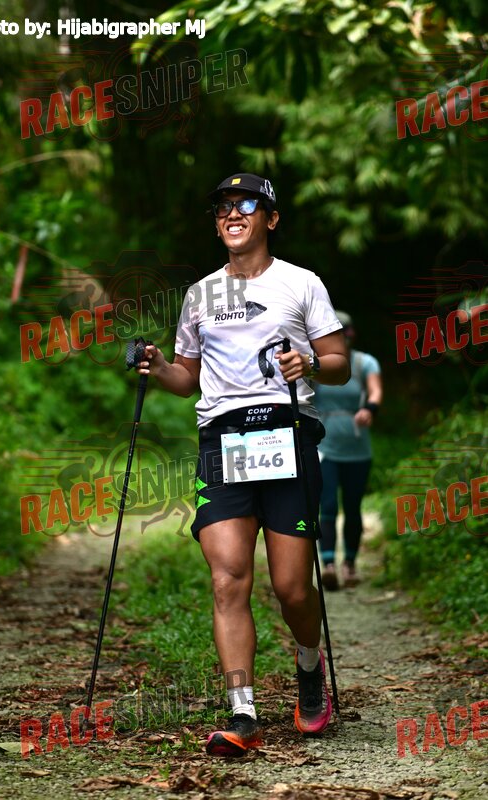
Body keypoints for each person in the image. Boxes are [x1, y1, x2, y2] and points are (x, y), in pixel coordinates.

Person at [136, 173, 350, 756]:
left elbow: (339, 361)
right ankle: (243, 712)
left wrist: (308, 363)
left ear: (270, 218)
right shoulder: (200, 294)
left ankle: (309, 664)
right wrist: (157, 365)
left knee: (292, 589)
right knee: (227, 577)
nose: (232, 214)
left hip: (287, 433)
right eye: (222, 208)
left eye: (246, 204)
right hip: (224, 441)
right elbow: (187, 377)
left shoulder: (301, 283)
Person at [314, 312, 382, 590]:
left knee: (353, 507)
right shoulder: (315, 363)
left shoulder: (365, 362)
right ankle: (329, 563)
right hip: (324, 447)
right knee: (328, 504)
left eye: (344, 331)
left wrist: (370, 409)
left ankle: (350, 564)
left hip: (357, 448)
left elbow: (375, 390)